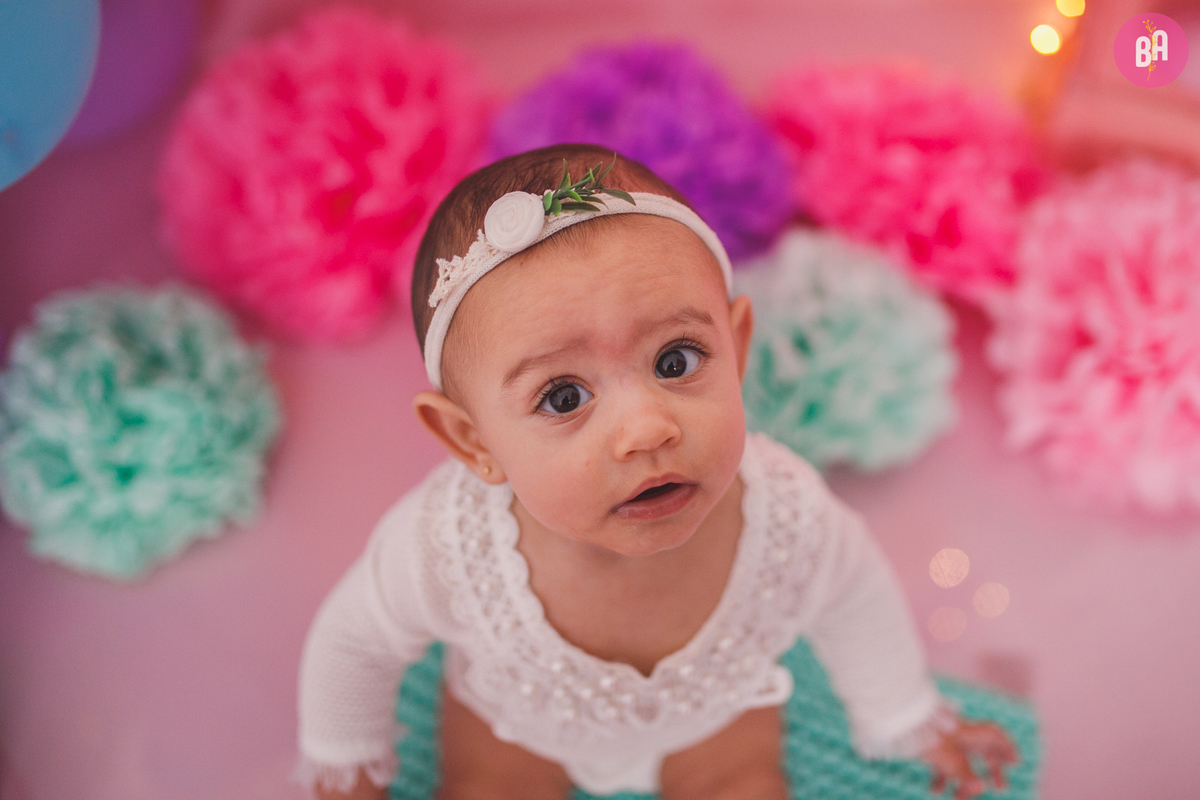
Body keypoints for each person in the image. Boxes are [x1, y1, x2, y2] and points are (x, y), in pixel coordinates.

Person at [296, 143, 1017, 800]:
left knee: (744, 781)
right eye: (563, 397)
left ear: (735, 347)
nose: (646, 429)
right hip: (517, 730)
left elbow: (856, 594)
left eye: (676, 361)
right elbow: (356, 638)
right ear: (472, 440)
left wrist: (906, 717)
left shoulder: (788, 513)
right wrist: (346, 761)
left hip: (711, 724)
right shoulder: (447, 547)